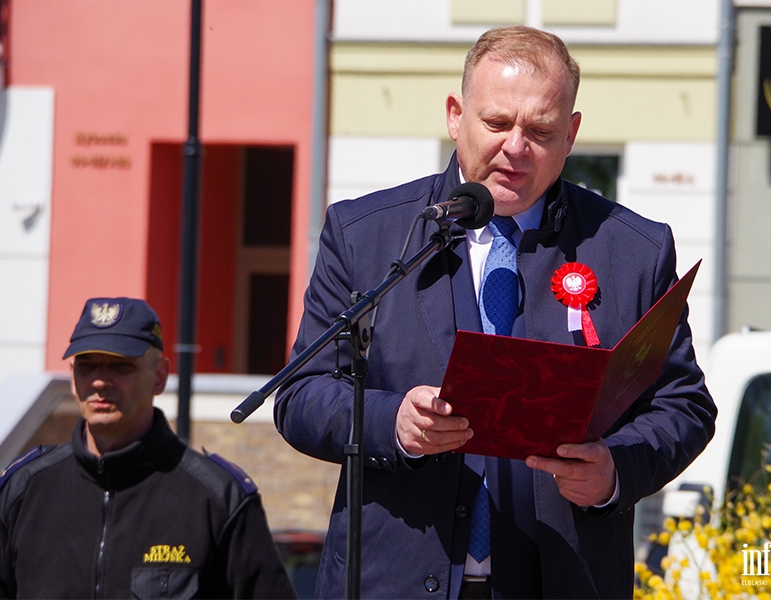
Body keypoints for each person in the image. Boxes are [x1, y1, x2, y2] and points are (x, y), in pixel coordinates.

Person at [275, 26, 716, 599]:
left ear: (572, 134)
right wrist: (395, 424)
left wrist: (615, 471)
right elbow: (301, 394)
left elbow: (684, 404)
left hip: (562, 578)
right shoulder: (368, 234)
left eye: (540, 130)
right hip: (397, 580)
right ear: (456, 115)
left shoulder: (632, 249)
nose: (515, 147)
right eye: (497, 123)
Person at [0, 297, 297, 599]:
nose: (101, 381)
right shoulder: (24, 491)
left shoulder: (217, 497)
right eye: (88, 366)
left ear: (159, 376)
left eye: (121, 366)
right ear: (74, 379)